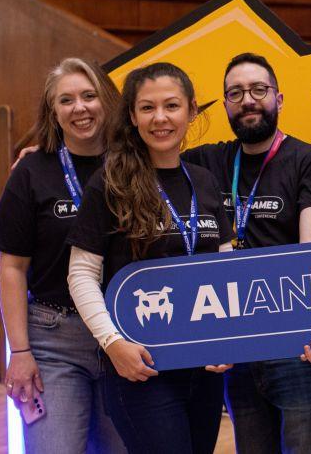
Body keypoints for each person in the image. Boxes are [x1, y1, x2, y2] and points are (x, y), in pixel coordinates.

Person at [66, 62, 235, 453]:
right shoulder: (109, 182)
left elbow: (228, 270)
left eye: (172, 106)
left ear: (192, 111)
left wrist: (230, 342)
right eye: (147, 108)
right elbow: (81, 274)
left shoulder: (205, 182)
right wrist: (112, 344)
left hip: (204, 371)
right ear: (132, 116)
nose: (160, 118)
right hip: (141, 371)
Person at [181, 52, 311, 453]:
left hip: (294, 343)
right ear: (225, 104)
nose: (248, 99)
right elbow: (142, 149)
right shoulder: (208, 161)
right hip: (236, 343)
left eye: (258, 90)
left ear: (279, 99)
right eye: (236, 93)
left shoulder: (308, 160)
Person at [0, 58, 126, 454]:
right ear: (53, 112)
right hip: (53, 341)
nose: (79, 107)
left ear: (106, 102)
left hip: (124, 335)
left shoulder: (133, 165)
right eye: (66, 100)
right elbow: (11, 268)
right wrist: (20, 351)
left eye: (88, 96)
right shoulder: (31, 171)